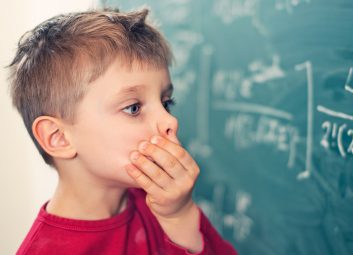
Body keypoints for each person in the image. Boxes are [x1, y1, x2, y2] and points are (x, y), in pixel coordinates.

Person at [9, 8, 237, 255]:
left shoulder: (164, 204)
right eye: (134, 108)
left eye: (166, 102)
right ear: (59, 137)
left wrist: (180, 216)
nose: (170, 120)